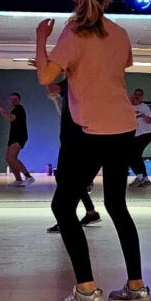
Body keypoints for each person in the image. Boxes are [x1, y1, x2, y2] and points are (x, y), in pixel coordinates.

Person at [36, 0, 148, 301]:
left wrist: (40, 39)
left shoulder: (74, 31)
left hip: (90, 131)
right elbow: (121, 65)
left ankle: (87, 291)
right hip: (123, 127)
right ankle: (137, 288)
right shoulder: (120, 33)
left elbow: (45, 76)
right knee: (117, 205)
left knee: (62, 207)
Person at [44, 78, 102, 233]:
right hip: (73, 140)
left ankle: (69, 220)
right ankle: (90, 213)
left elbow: (51, 89)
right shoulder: (75, 85)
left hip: (76, 142)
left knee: (67, 181)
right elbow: (61, 108)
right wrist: (56, 100)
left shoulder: (75, 80)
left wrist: (45, 72)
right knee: (71, 181)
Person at [0, 93, 34, 186]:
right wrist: (1, 109)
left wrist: (0, 107)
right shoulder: (14, 110)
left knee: (11, 158)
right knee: (8, 159)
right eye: (11, 99)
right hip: (13, 136)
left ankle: (28, 177)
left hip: (19, 136)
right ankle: (18, 180)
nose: (13, 101)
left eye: (15, 99)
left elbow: (9, 118)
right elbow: (8, 117)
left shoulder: (19, 109)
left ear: (19, 100)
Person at [128, 88, 151, 188]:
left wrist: (143, 116)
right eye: (136, 94)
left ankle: (140, 178)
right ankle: (145, 179)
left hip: (145, 134)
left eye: (139, 95)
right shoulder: (129, 106)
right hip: (135, 135)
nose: (137, 96)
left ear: (142, 96)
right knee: (134, 156)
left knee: (134, 155)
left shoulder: (144, 107)